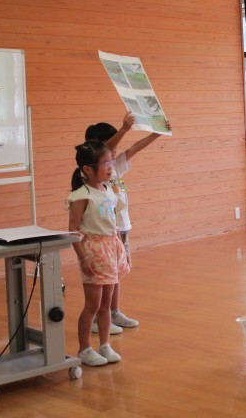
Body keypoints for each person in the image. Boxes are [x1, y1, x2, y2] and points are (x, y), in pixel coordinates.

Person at [85, 111, 170, 333]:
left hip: (121, 229)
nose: (114, 151)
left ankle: (113, 312)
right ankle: (98, 318)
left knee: (115, 274)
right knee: (104, 277)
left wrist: (157, 133)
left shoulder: (114, 166)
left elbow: (134, 149)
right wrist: (123, 129)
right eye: (111, 145)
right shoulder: (93, 170)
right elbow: (104, 150)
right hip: (105, 233)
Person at [67, 140, 130, 366]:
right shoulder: (81, 196)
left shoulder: (108, 190)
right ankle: (84, 349)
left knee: (106, 303)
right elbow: (73, 230)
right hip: (93, 251)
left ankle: (105, 345)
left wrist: (121, 250)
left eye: (110, 162)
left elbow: (114, 225)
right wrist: (83, 258)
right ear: (87, 169)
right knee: (92, 305)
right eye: (105, 163)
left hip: (110, 250)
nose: (110, 167)